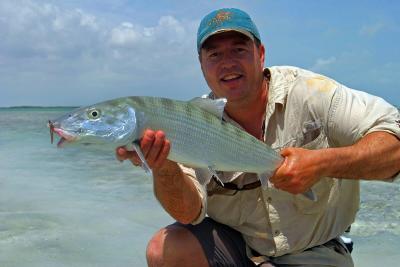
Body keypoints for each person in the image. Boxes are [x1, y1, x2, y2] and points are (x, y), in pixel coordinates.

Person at [116, 8, 400, 267]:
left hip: (315, 251)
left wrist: (323, 163)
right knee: (164, 251)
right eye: (214, 55)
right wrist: (163, 166)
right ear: (201, 64)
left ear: (260, 53)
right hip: (240, 250)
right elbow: (188, 213)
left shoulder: (311, 93)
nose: (227, 63)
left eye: (238, 50)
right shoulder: (190, 120)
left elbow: (394, 146)